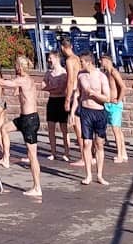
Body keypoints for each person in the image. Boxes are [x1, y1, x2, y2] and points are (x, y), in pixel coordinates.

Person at [3, 55, 43, 199]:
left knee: (33, 155)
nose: (14, 67)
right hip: (24, 118)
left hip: (30, 120)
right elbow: (15, 91)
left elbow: (6, 84)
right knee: (4, 128)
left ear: (20, 67)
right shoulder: (28, 80)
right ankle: (6, 158)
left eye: (16, 66)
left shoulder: (24, 80)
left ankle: (37, 187)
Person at [76, 51, 111, 186]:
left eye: (82, 62)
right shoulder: (81, 76)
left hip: (99, 112)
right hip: (86, 111)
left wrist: (94, 93)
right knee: (86, 144)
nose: (80, 64)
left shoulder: (101, 77)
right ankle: (88, 174)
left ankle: (100, 175)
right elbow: (77, 95)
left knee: (99, 144)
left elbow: (107, 98)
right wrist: (73, 110)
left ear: (89, 62)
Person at [60, 36, 84, 165]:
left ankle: (83, 156)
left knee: (77, 125)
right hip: (80, 92)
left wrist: (67, 99)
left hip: (74, 92)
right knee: (82, 125)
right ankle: (89, 155)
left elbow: (70, 81)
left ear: (63, 48)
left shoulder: (69, 61)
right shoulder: (78, 59)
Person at [100, 54, 128, 164]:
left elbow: (123, 87)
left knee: (116, 129)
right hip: (108, 104)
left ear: (106, 60)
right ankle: (124, 152)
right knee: (118, 130)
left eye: (101, 60)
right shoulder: (105, 73)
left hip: (115, 105)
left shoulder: (114, 72)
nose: (100, 62)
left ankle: (120, 154)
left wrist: (119, 99)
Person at [44, 49, 71, 162]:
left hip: (61, 100)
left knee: (64, 129)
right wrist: (53, 88)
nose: (49, 60)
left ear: (56, 58)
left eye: (51, 58)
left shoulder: (64, 73)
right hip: (52, 101)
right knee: (51, 128)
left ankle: (66, 152)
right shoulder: (48, 73)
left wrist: (53, 88)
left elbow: (62, 89)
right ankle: (53, 152)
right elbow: (43, 86)